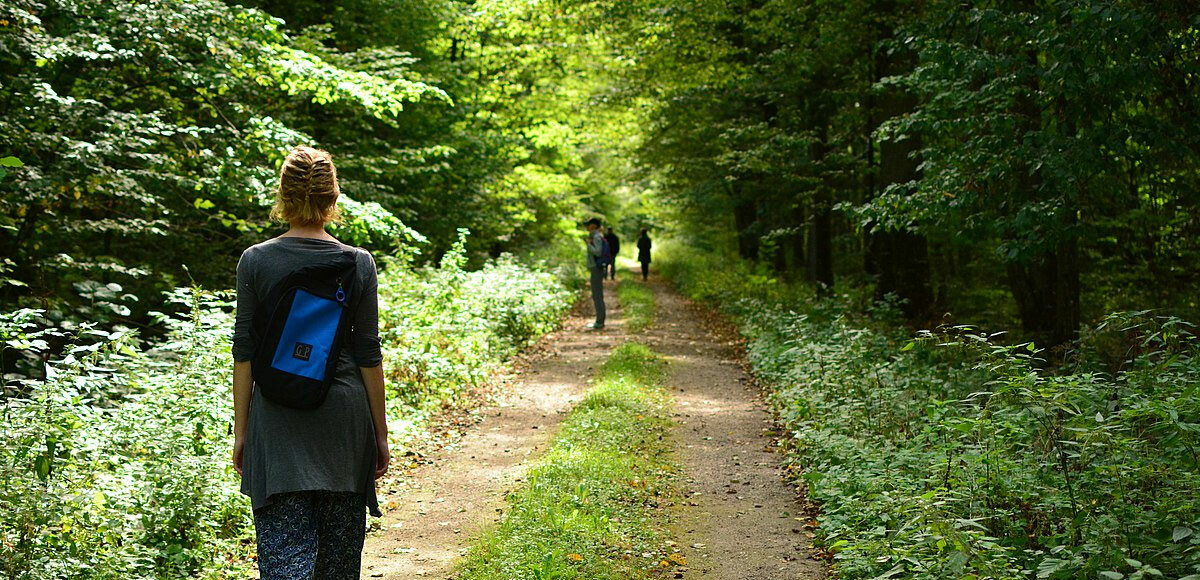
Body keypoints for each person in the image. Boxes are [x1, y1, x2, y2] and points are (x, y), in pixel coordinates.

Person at [231, 145, 390, 580]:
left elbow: (243, 351)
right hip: (344, 426)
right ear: (333, 198)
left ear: (281, 196)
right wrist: (380, 434)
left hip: (277, 424)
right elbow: (368, 354)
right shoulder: (358, 263)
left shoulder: (256, 260)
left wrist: (243, 433)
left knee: (285, 564)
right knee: (337, 566)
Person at [584, 217, 606, 329]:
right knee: (597, 294)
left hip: (597, 268)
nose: (586, 226)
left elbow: (597, 252)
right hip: (596, 268)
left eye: (588, 224)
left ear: (593, 225)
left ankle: (599, 322)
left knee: (597, 295)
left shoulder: (596, 237)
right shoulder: (596, 236)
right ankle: (599, 321)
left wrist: (588, 245)